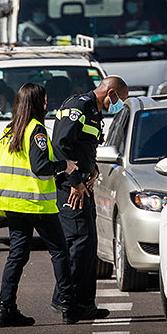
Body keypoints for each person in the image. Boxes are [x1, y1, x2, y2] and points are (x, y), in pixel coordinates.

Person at [0, 83, 81, 327]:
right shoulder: (36, 131)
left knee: (16, 255)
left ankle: (5, 309)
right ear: (37, 104)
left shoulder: (10, 130)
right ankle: (69, 306)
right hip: (35, 204)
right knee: (60, 251)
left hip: (12, 203)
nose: (47, 104)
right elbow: (41, 168)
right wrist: (65, 166)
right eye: (45, 100)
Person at [50, 76, 129, 320]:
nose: (117, 105)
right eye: (119, 100)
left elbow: (84, 146)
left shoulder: (93, 112)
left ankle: (84, 304)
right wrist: (74, 183)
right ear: (111, 93)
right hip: (70, 187)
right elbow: (60, 147)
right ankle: (65, 301)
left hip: (84, 184)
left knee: (87, 246)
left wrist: (92, 168)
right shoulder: (79, 107)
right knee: (77, 243)